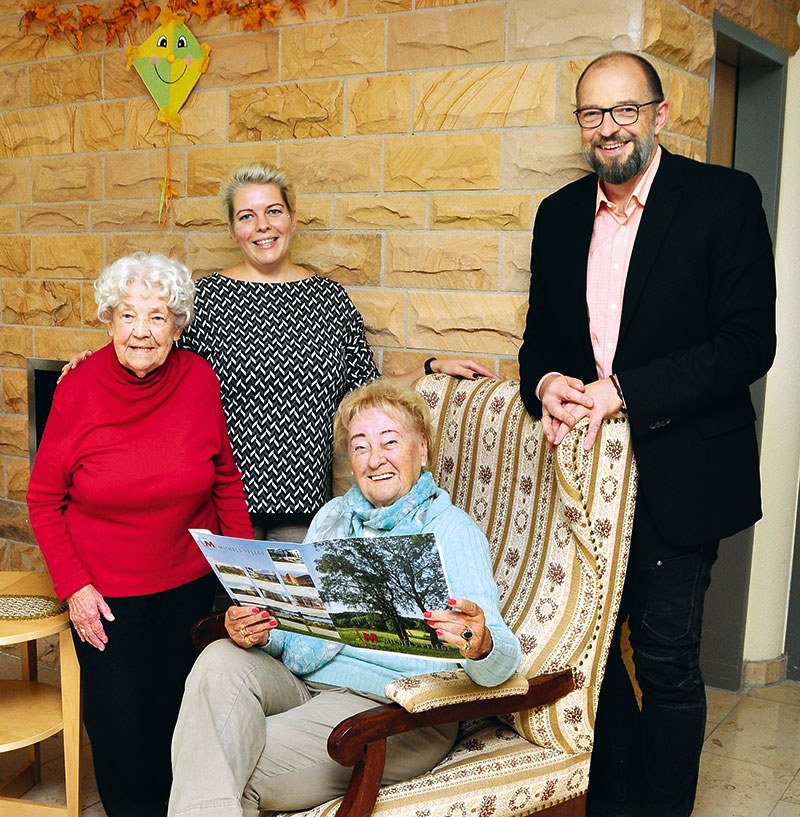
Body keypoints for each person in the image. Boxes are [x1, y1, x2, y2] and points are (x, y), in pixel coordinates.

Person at [518, 52, 776, 817]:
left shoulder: (724, 199)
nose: (609, 128)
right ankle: (617, 800)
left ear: (659, 114)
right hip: (585, 481)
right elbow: (541, 338)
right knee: (589, 655)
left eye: (625, 110)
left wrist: (624, 390)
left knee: (664, 661)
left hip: (682, 474)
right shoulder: (558, 213)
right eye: (593, 114)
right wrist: (546, 383)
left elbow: (746, 343)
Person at [61, 162, 493, 545]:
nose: (262, 226)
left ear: (292, 219)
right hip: (219, 505)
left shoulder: (329, 300)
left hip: (303, 509)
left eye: (273, 211)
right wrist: (93, 364)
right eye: (247, 216)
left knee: (293, 626)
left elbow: (364, 389)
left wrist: (429, 367)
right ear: (233, 231)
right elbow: (152, 360)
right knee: (225, 624)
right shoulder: (207, 298)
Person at [168, 379, 522, 817]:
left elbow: (504, 660)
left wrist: (480, 643)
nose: (375, 460)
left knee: (217, 766)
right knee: (219, 659)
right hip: (309, 682)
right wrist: (260, 630)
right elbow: (297, 629)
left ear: (423, 449)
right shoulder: (332, 518)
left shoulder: (452, 530)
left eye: (390, 442)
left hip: (395, 711)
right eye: (360, 446)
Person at [27, 253, 253, 817]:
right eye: (128, 316)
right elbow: (43, 499)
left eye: (157, 318)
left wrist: (247, 575)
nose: (141, 331)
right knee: (123, 737)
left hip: (189, 586)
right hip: (105, 598)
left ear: (178, 326)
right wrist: (75, 588)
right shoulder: (78, 388)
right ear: (108, 321)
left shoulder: (199, 379)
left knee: (181, 729)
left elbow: (225, 481)